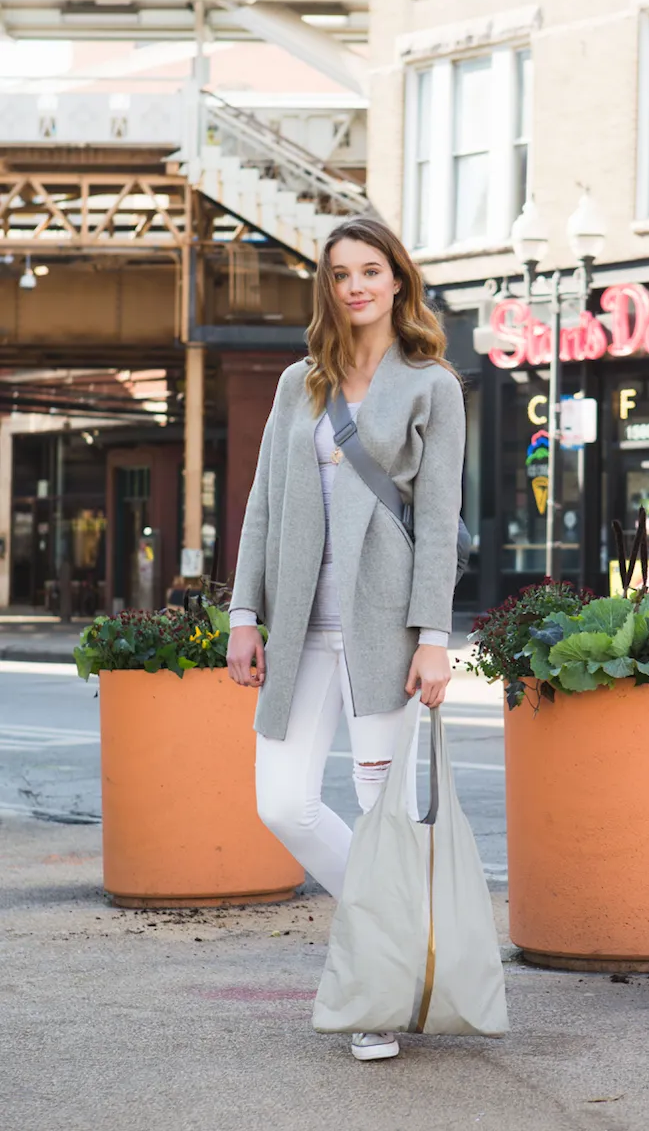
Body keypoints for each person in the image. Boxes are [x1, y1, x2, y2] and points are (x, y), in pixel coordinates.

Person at [226, 216, 466, 1062]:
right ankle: (401, 935)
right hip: (296, 628)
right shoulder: (302, 383)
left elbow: (438, 524)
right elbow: (260, 505)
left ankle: (377, 991)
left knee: (382, 814)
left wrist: (433, 637)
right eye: (340, 274)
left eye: (371, 270)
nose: (356, 285)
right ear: (326, 286)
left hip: (383, 632)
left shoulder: (433, 385)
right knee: (281, 801)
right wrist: (244, 616)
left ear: (398, 280)